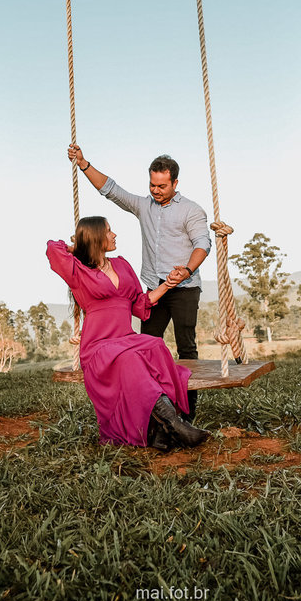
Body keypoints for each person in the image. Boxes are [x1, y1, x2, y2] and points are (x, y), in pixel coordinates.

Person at [67, 144, 211, 419]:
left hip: (184, 289)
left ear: (175, 183)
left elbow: (203, 243)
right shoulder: (144, 205)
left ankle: (188, 411)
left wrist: (188, 269)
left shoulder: (191, 211)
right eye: (152, 185)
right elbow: (111, 190)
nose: (156, 190)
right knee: (146, 344)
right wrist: (84, 164)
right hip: (152, 290)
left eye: (162, 186)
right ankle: (155, 407)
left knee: (186, 347)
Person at [46, 216, 211, 450]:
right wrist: (79, 247)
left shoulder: (122, 264)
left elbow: (139, 303)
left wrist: (168, 284)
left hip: (125, 338)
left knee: (155, 345)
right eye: (109, 231)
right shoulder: (77, 270)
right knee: (129, 359)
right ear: (95, 237)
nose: (114, 235)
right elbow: (53, 248)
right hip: (99, 345)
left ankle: (160, 432)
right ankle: (174, 424)